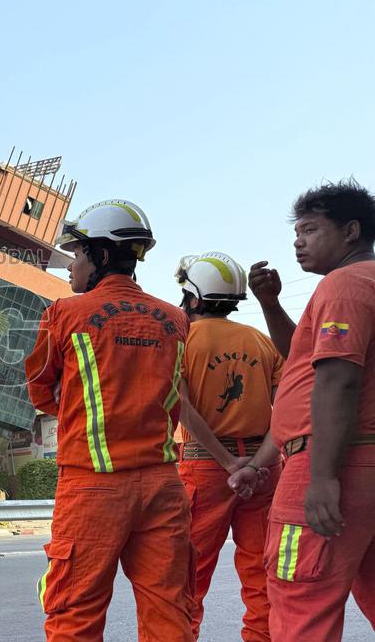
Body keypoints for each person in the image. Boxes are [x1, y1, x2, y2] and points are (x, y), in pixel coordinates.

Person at [25, 199, 194, 641]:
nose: (69, 266)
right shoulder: (176, 321)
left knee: (73, 613)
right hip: (163, 484)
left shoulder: (64, 315)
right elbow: (177, 397)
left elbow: (40, 387)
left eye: (75, 254)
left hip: (92, 487)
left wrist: (77, 409)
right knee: (169, 611)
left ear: (100, 256)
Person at [246, 179, 375, 639]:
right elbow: (304, 358)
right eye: (296, 232)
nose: (299, 241)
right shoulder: (361, 285)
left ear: (351, 231)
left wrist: (321, 477)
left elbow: (338, 379)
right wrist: (270, 305)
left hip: (331, 459)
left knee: (302, 601)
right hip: (363, 460)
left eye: (312, 229)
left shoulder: (345, 286)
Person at [174, 251, 283, 641]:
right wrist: (253, 465)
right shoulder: (261, 340)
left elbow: (180, 406)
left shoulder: (181, 339)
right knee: (263, 576)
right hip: (265, 468)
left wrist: (228, 463)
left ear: (195, 297)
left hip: (207, 468)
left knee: (190, 574)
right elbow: (287, 408)